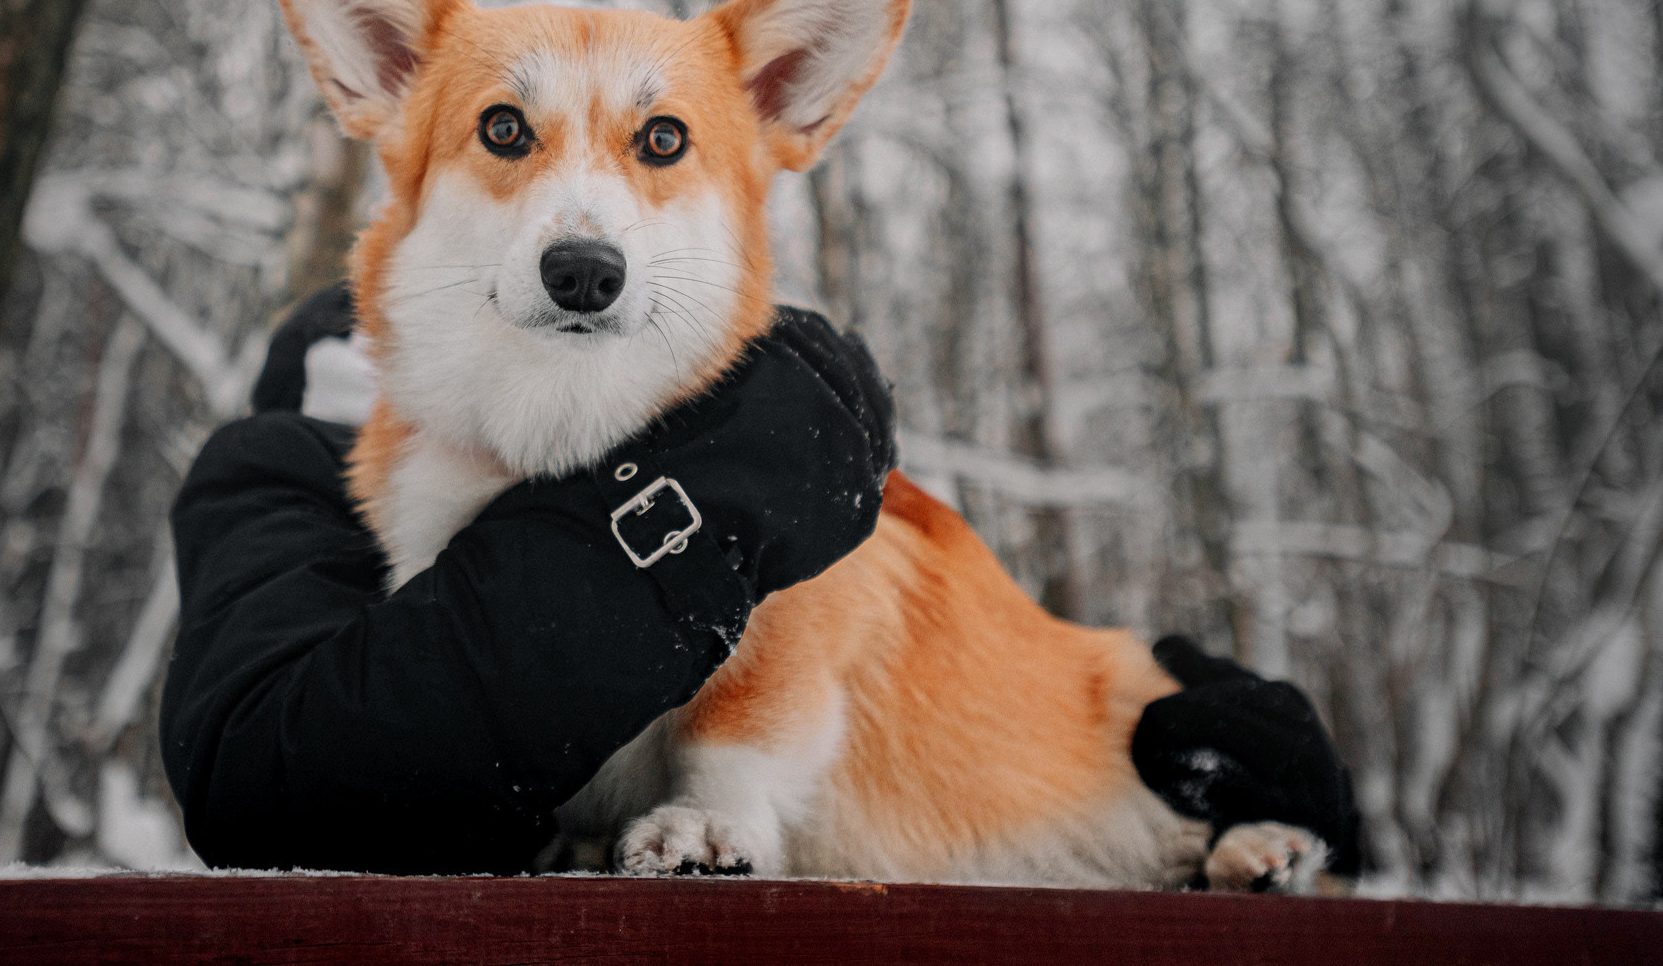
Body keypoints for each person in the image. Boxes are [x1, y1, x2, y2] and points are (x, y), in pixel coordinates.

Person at [159, 287, 1360, 880]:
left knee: (1199, 732)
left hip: (1057, 748)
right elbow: (276, 767)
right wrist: (710, 486)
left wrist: (1226, 723)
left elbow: (853, 593)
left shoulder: (619, 413)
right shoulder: (288, 470)